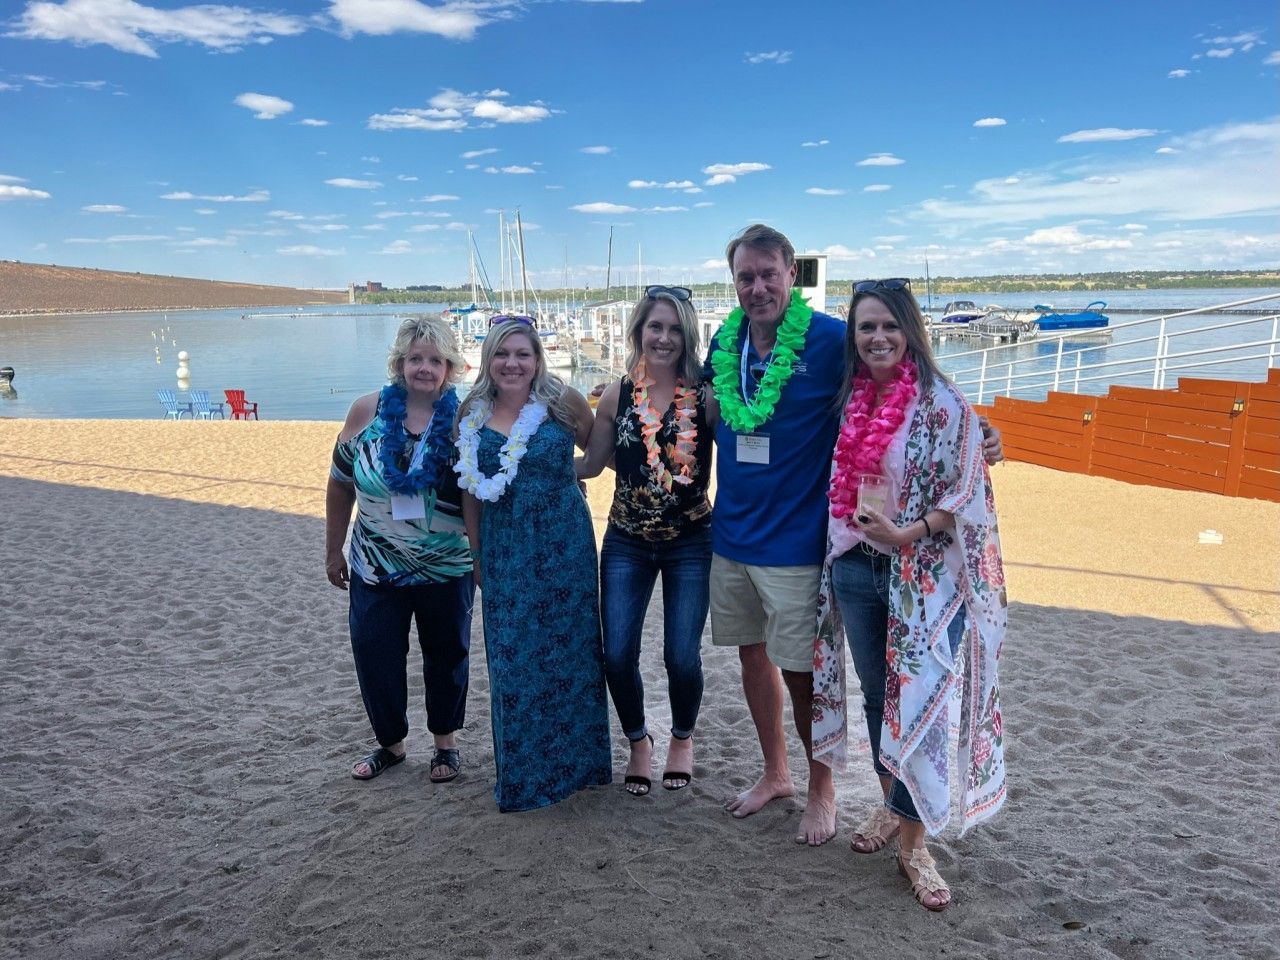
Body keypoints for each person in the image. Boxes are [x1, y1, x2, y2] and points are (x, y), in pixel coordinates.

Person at [703, 224, 1003, 847]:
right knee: (750, 654)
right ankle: (775, 772)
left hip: (799, 539)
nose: (757, 287)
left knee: (806, 669)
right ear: (733, 282)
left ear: (792, 274)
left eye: (768, 274)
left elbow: (899, 381)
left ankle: (822, 788)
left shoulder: (833, 340)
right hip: (730, 533)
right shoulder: (723, 343)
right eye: (745, 277)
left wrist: (984, 434)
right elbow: (705, 411)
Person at [813, 279, 1007, 911]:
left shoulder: (942, 403)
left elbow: (966, 490)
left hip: (921, 576)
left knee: (921, 699)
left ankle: (914, 844)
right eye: (865, 327)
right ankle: (897, 806)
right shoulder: (851, 398)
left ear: (910, 331)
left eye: (888, 326)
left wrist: (908, 533)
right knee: (878, 699)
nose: (877, 338)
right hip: (856, 568)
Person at [456, 316, 612, 812]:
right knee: (514, 657)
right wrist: (477, 555)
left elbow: (597, 454)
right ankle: (525, 777)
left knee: (571, 651)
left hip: (564, 541)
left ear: (537, 358)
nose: (512, 363)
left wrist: (568, 474)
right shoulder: (471, 412)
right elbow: (469, 493)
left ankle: (580, 768)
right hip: (504, 544)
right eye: (502, 354)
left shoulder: (562, 401)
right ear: (488, 360)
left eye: (523, 353)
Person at [577, 286, 716, 796]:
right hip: (627, 542)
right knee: (616, 654)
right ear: (639, 332)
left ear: (688, 335)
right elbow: (591, 464)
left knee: (681, 654)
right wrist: (528, 463)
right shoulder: (616, 394)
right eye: (655, 327)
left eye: (675, 328)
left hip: (691, 541)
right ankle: (639, 741)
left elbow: (750, 452)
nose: (663, 338)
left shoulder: (705, 396)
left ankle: (682, 737)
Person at [325, 316, 474, 784]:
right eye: (415, 359)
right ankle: (390, 745)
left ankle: (445, 746)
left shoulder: (466, 417)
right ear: (400, 363)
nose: (424, 368)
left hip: (448, 564)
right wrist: (334, 550)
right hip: (375, 566)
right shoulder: (365, 412)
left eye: (435, 360)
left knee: (447, 655)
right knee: (375, 655)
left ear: (449, 366)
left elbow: (489, 487)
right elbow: (339, 483)